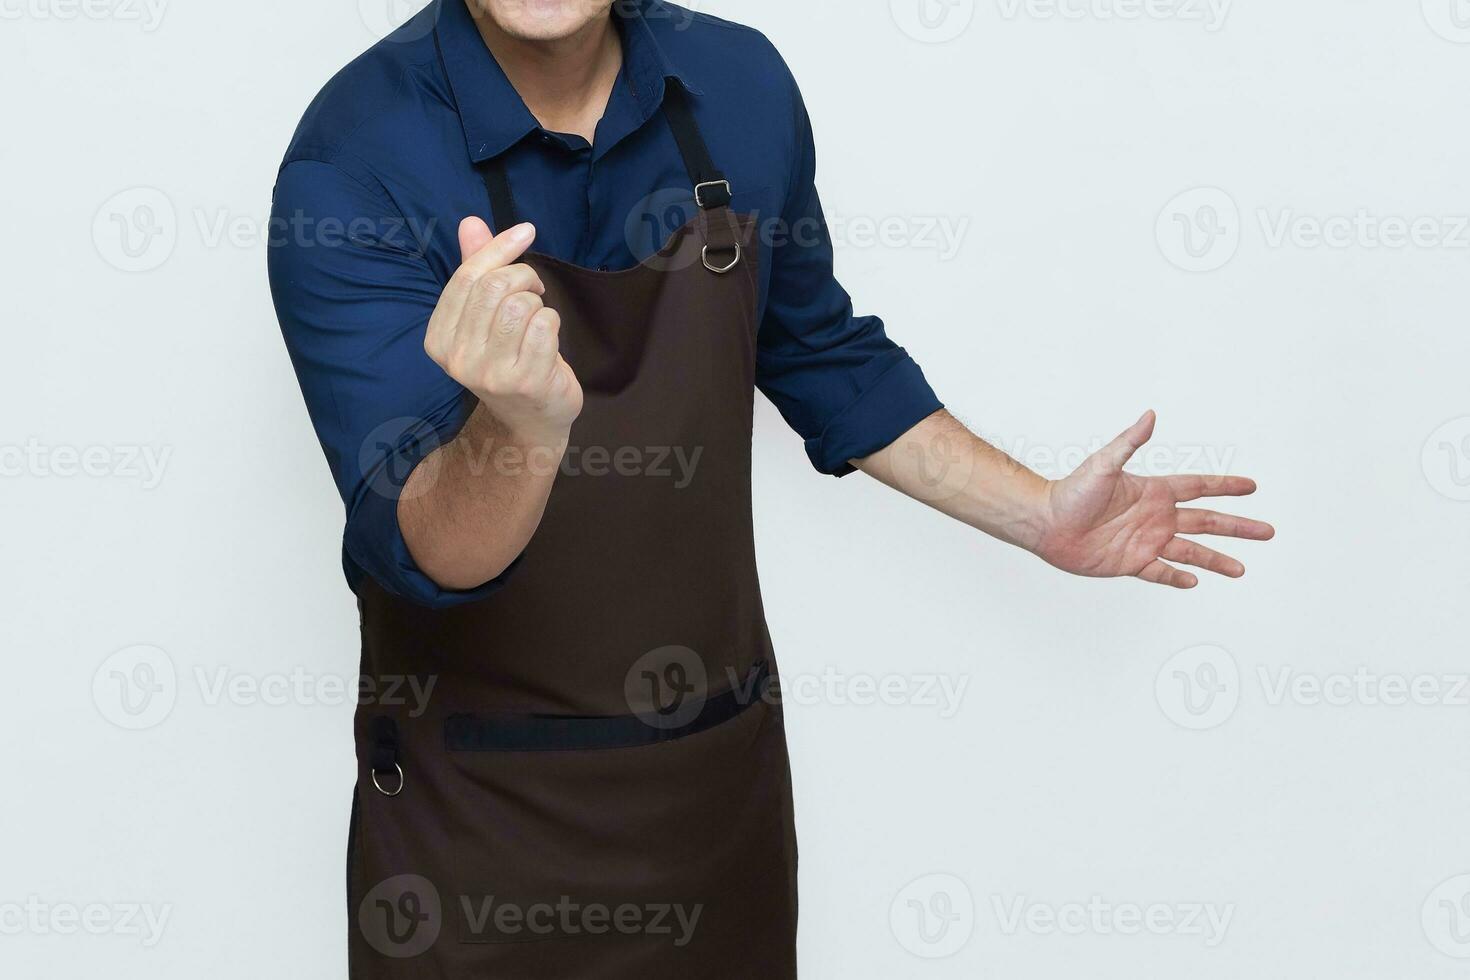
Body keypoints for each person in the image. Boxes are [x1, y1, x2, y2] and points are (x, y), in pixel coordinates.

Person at [267, 0, 1275, 975]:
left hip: (708, 803)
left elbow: (824, 358)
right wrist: (523, 425)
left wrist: (1039, 512)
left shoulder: (735, 87)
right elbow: (431, 545)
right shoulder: (356, 157)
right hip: (478, 828)